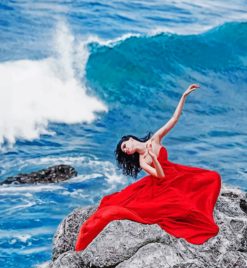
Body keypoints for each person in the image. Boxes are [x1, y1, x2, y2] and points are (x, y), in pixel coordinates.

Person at [74, 84, 221, 251]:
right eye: (125, 151)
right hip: (162, 185)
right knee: (183, 209)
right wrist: (154, 160)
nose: (127, 150)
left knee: (213, 177)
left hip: (178, 174)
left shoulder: (155, 139)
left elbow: (174, 119)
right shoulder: (143, 161)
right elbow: (160, 176)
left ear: (129, 139)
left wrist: (184, 96)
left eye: (125, 146)